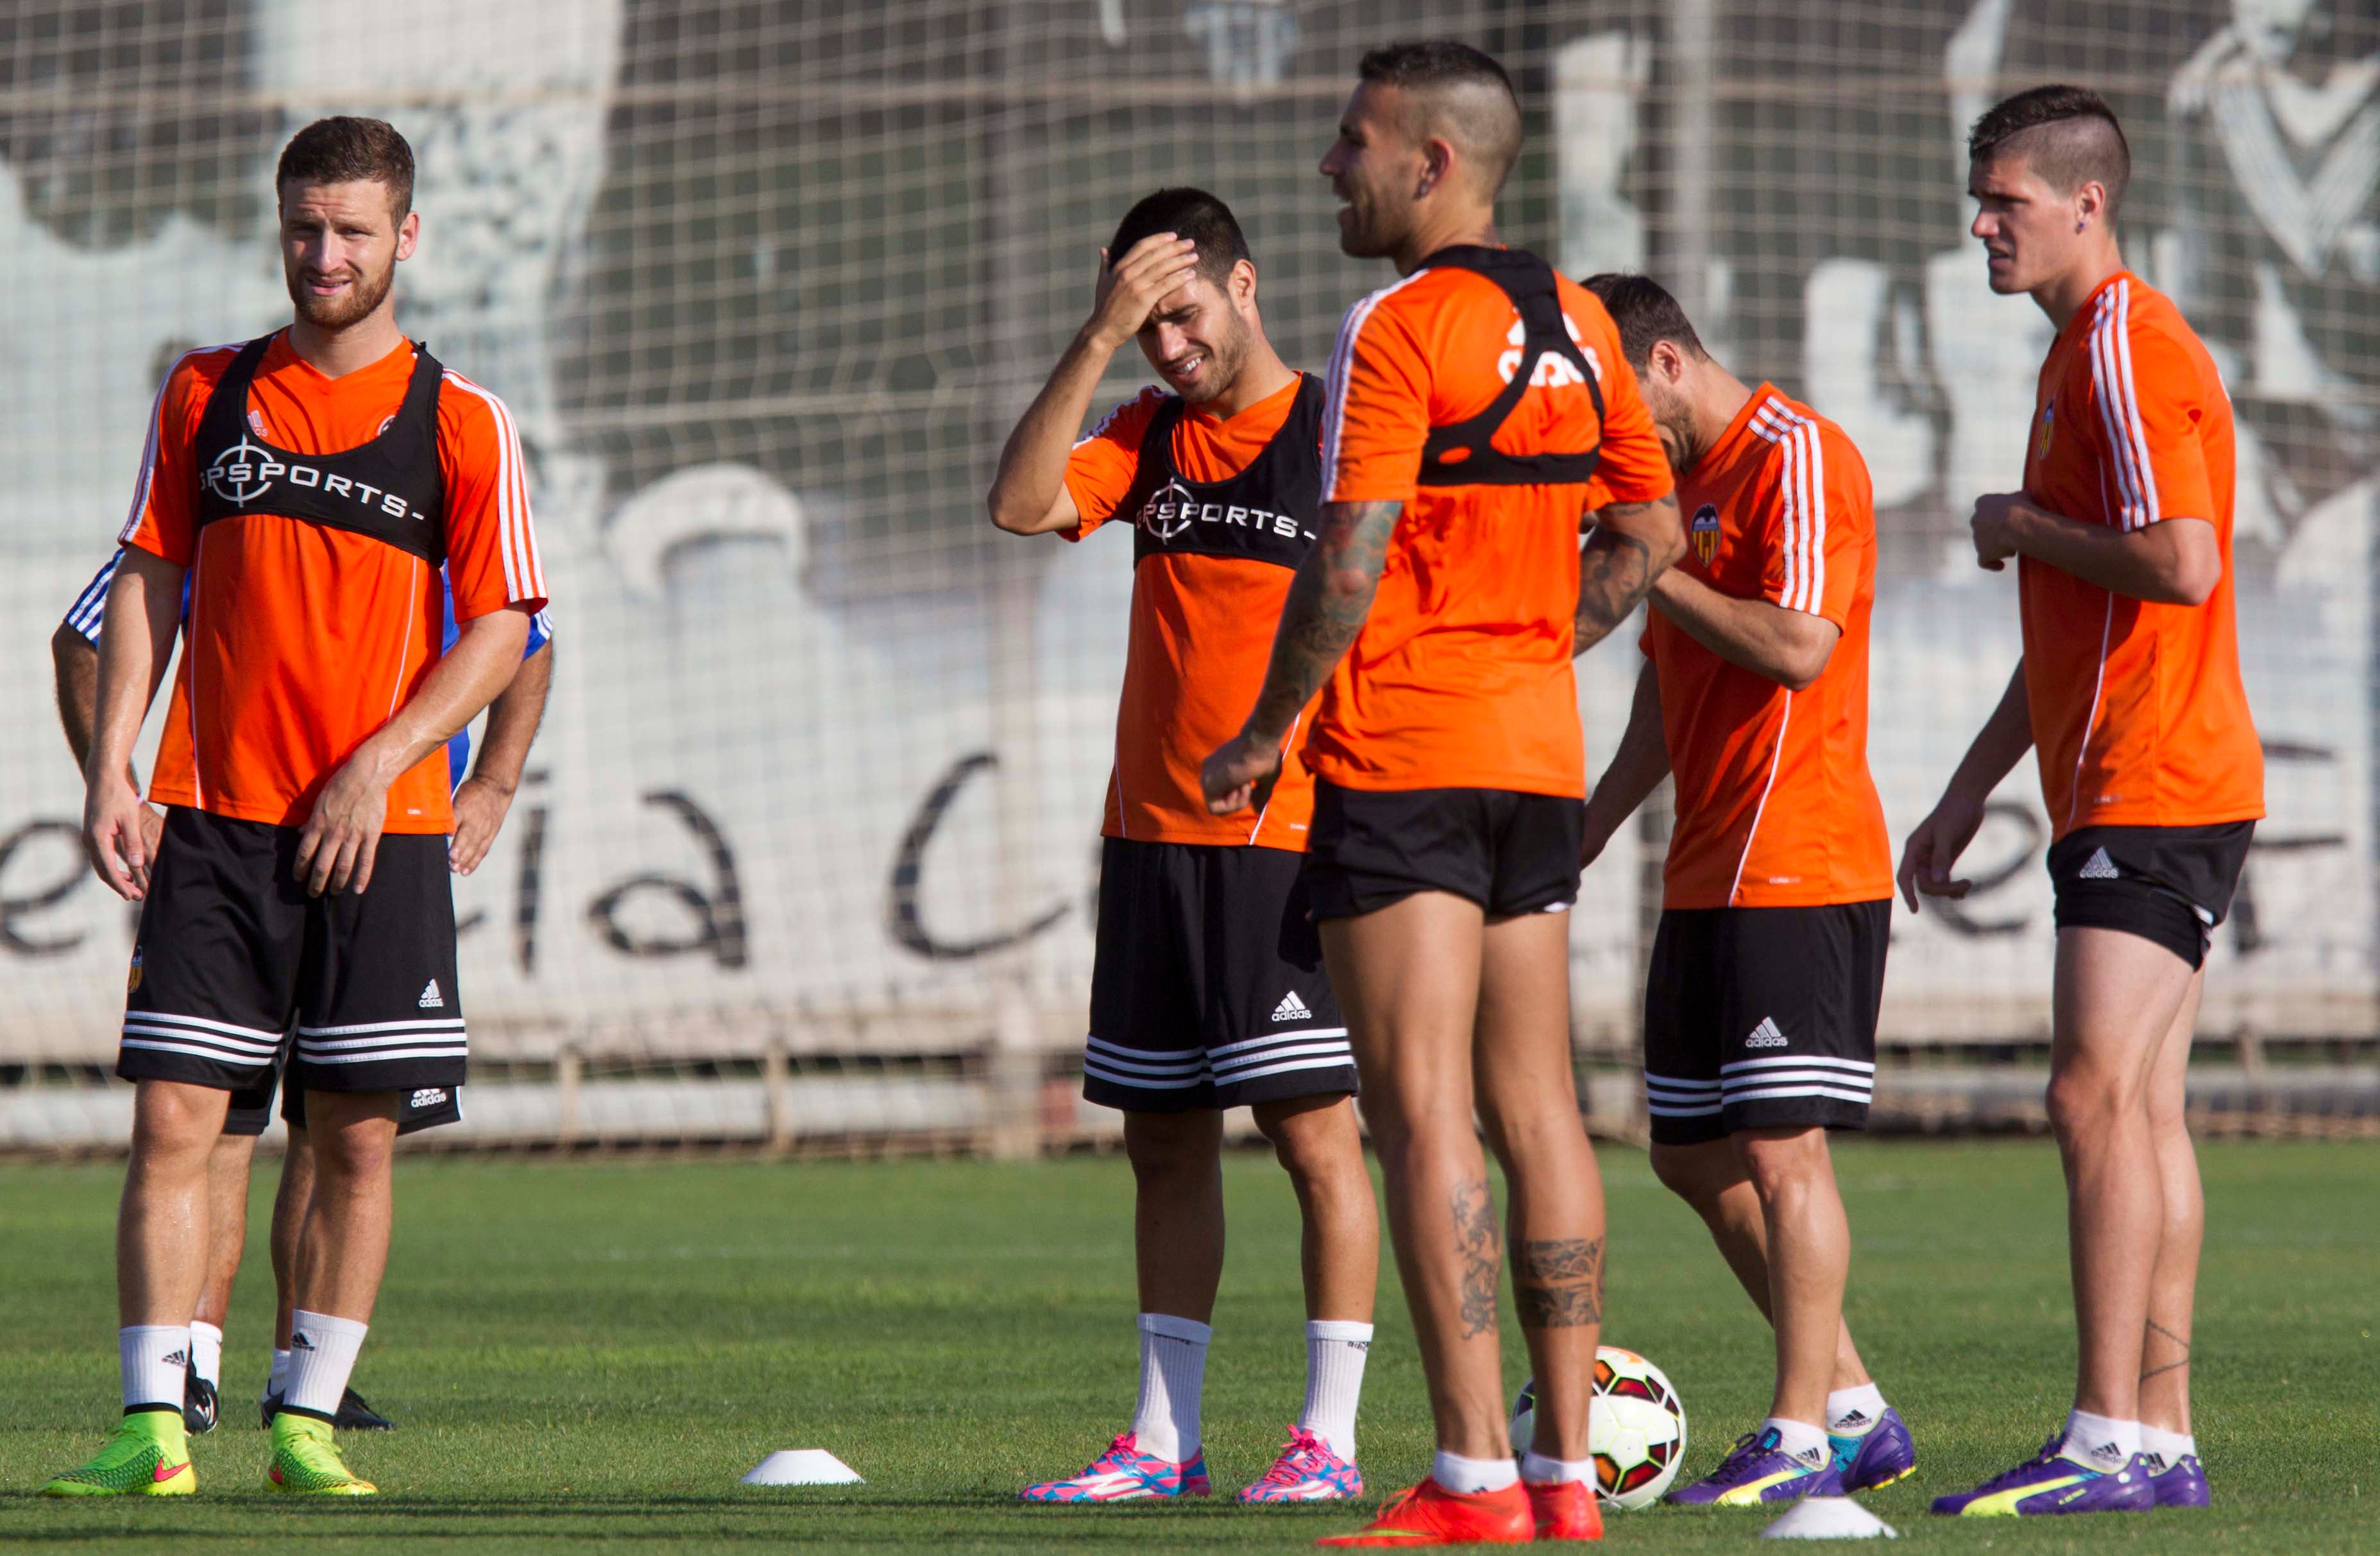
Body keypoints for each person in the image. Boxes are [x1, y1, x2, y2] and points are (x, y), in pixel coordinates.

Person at [1204, 40, 1683, 1547]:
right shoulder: (1582, 323)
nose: (1329, 171)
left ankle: (1473, 1476)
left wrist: (1262, 729)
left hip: (1407, 754)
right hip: (1533, 754)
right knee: (1539, 1107)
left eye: (1351, 144)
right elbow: (1652, 530)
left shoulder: (1397, 322)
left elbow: (1347, 558)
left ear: (1431, 164)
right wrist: (1543, 637)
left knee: (1419, 1116)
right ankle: (1559, 1482)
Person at [42, 114, 547, 1499]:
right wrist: (113, 771)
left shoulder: (461, 422)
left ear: (406, 237)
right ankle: (154, 1424)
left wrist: (396, 765)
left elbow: (506, 630)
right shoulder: (206, 394)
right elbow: (143, 578)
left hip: (374, 836)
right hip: (211, 819)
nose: (326, 256)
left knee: (355, 1133)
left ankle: (305, 1422)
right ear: (281, 229)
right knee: (173, 1123)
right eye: (305, 229)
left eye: (354, 231)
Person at [988, 186, 1381, 1505]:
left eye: (1182, 314)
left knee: (1314, 1134)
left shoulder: (1337, 428)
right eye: (1146, 324)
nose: (1170, 345)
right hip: (1148, 837)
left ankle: (1328, 1439)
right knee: (1163, 1138)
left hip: (1287, 836)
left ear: (1246, 284)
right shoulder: (1143, 431)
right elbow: (1020, 501)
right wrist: (1094, 339)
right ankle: (1166, 1442)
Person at [1908, 86, 2259, 1519]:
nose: (1981, 223)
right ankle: (2159, 1438)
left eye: (2005, 200)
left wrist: (2018, 523)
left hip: (2155, 775)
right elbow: (2075, 611)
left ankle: (2105, 1433)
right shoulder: (2076, 357)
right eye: (1978, 199)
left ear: (2084, 203)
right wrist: (1963, 790)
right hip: (2156, 776)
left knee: (2089, 1095)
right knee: (2145, 1113)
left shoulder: (2122, 345)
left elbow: (2180, 563)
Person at [51, 553, 554, 1435]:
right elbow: (86, 633)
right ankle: (189, 1365)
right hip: (233, 836)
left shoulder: (431, 501)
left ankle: (303, 1377)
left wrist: (493, 781)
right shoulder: (231, 499)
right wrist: (123, 787)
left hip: (386, 843)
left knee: (343, 1123)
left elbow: (527, 635)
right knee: (209, 1117)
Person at [1575, 273, 1912, 1507]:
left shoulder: (1798, 452)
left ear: (1665, 362)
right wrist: (1593, 827)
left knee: (1781, 1146)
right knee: (1687, 1152)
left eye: (1608, 399)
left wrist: (1653, 564)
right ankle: (1856, 1403)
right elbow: (1665, 699)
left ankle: (1794, 1430)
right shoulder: (1663, 492)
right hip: (1706, 864)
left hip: (1800, 855)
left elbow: (1796, 643)